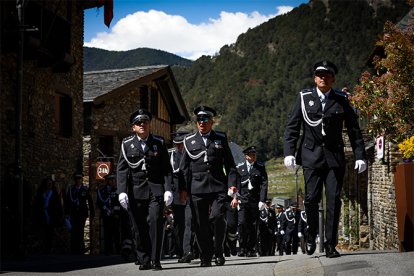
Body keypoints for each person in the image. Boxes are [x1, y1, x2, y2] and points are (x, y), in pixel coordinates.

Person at [283, 60, 367, 258]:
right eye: (319, 74)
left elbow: (354, 129)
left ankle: (330, 244)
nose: (323, 77)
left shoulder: (340, 99)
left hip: (334, 158)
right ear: (315, 78)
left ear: (333, 78)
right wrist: (289, 152)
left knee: (333, 201)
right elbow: (292, 127)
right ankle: (311, 234)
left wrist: (360, 155)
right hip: (310, 157)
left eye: (327, 75)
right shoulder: (304, 98)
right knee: (311, 199)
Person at [180, 105, 239, 267]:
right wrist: (183, 189)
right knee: (200, 224)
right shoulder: (189, 140)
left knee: (217, 217)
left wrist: (232, 185)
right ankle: (206, 255)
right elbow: (183, 168)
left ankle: (219, 250)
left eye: (205, 119)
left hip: (217, 186)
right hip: (197, 188)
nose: (201, 123)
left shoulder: (220, 138)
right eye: (199, 120)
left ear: (211, 122)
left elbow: (230, 165)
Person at [116, 108, 172, 271]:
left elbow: (166, 169)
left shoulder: (159, 143)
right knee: (138, 227)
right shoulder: (127, 144)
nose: (142, 125)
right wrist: (122, 192)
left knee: (155, 223)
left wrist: (168, 189)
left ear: (149, 125)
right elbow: (122, 169)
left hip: (155, 190)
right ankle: (144, 258)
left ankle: (156, 259)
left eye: (145, 122)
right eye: (138, 123)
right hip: (135, 191)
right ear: (133, 127)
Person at [168, 131, 196, 263]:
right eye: (177, 144)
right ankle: (180, 251)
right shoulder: (171, 155)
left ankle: (188, 251)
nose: (180, 147)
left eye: (181, 144)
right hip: (176, 195)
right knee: (179, 225)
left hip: (190, 194)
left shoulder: (192, 154)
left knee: (189, 223)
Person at [236, 146, 268, 257]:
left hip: (255, 201)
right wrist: (236, 198)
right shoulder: (240, 168)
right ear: (246, 156)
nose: (254, 156)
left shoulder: (260, 167)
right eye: (251, 154)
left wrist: (262, 200)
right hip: (243, 200)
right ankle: (242, 247)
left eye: (254, 154)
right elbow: (237, 184)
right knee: (242, 223)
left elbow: (264, 184)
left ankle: (251, 248)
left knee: (253, 225)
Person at [65, 172, 95, 254]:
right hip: (74, 213)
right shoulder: (71, 189)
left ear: (82, 180)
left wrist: (92, 213)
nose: (78, 181)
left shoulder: (85, 189)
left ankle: (80, 249)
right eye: (77, 179)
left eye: (79, 179)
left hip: (82, 213)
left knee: (80, 230)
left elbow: (90, 201)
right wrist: (66, 213)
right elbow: (67, 202)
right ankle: (74, 249)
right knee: (74, 231)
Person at [33, 177, 63, 253]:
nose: (49, 185)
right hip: (42, 214)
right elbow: (36, 204)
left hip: (51, 215)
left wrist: (59, 215)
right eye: (48, 183)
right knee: (43, 231)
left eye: (50, 183)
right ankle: (43, 247)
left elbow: (58, 205)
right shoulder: (41, 194)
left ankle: (49, 247)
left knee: (50, 231)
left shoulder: (54, 194)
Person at [96, 173, 121, 255]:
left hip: (115, 215)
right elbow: (99, 203)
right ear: (107, 181)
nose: (112, 181)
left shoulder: (116, 190)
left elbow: (118, 202)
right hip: (106, 215)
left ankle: (118, 250)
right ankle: (108, 250)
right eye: (110, 180)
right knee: (107, 233)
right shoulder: (102, 191)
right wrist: (105, 210)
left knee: (116, 233)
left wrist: (116, 212)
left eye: (113, 180)